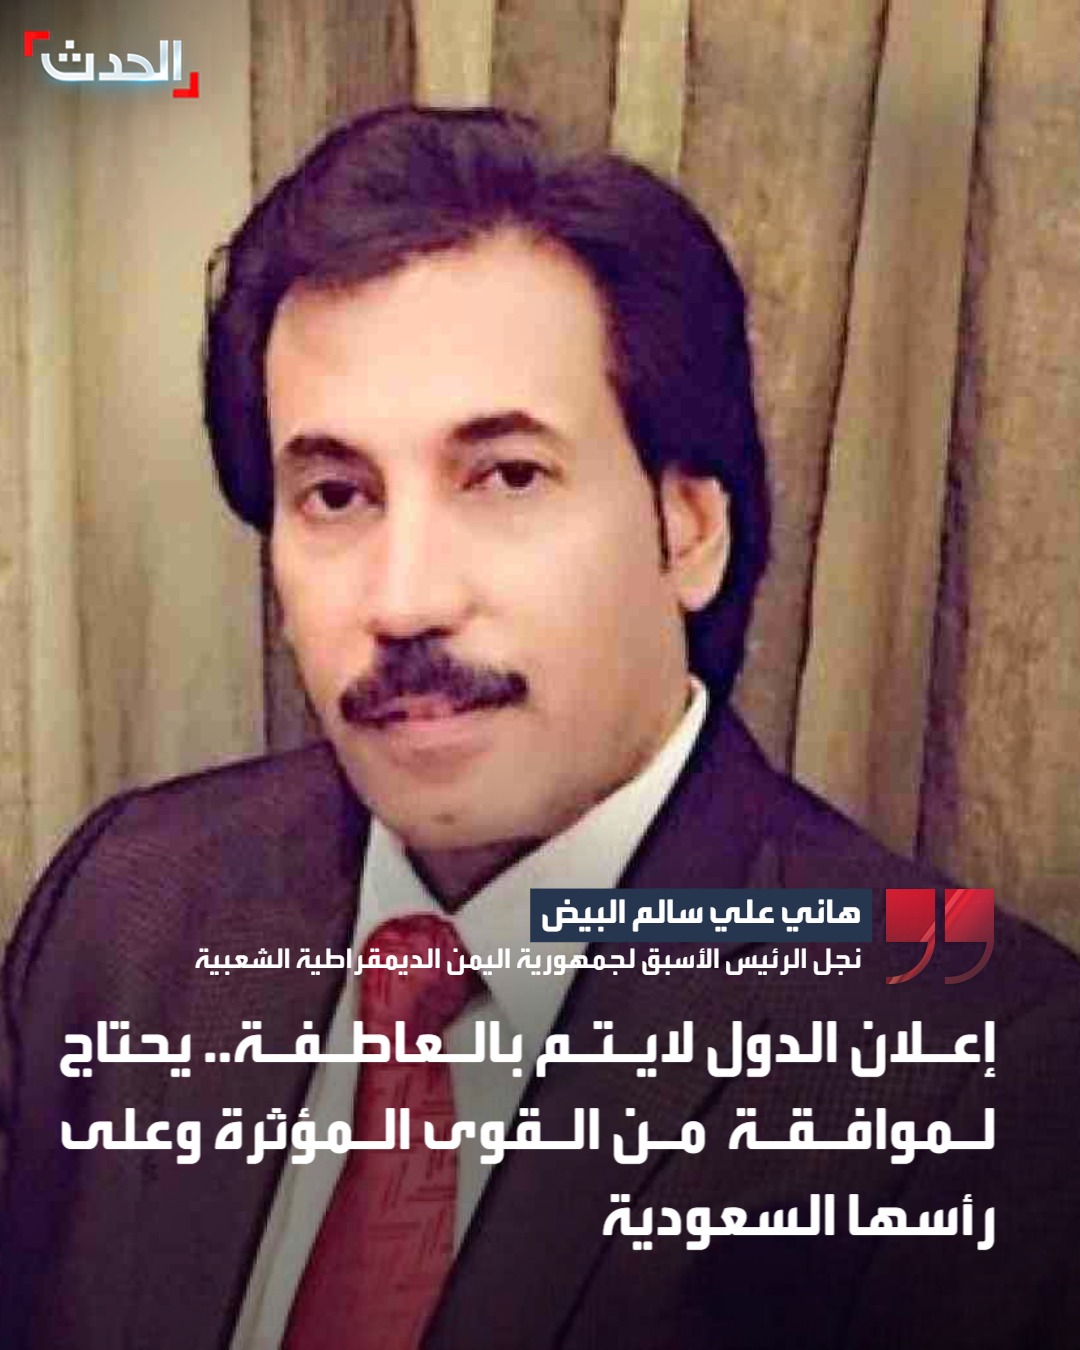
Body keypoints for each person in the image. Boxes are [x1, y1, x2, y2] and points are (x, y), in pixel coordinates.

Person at [2, 105, 1079, 1350]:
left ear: (688, 531)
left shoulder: (984, 1071)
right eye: (337, 494)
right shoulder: (123, 912)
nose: (405, 599)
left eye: (507, 475)